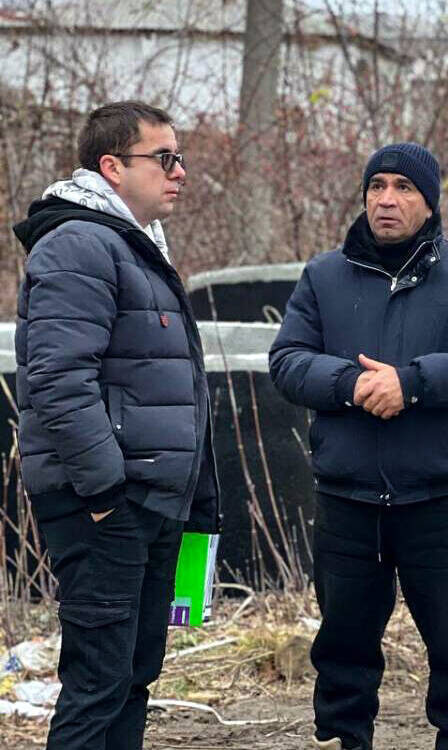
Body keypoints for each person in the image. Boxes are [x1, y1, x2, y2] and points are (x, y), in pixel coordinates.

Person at [269, 143, 448, 750]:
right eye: (377, 186)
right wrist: (351, 385)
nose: (387, 199)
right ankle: (341, 738)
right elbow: (288, 360)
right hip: (348, 499)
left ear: (429, 203)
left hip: (441, 496)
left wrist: (410, 383)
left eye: (404, 188)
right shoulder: (324, 276)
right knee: (343, 645)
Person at [12, 101, 219, 750]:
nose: (179, 171)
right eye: (164, 158)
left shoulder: (133, 246)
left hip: (148, 499)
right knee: (99, 684)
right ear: (111, 166)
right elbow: (57, 379)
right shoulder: (80, 244)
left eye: (180, 158)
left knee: (132, 677)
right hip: (105, 504)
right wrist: (105, 496)